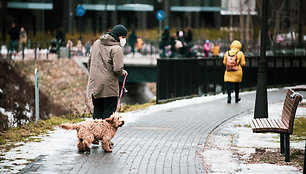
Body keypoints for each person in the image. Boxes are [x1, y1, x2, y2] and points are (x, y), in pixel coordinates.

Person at [87, 24, 128, 120]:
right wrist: (123, 73)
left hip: (95, 85)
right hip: (109, 87)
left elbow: (89, 62)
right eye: (123, 37)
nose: (124, 39)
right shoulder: (117, 49)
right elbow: (117, 68)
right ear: (118, 36)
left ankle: (96, 133)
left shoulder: (97, 43)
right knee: (109, 115)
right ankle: (106, 134)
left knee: (97, 111)